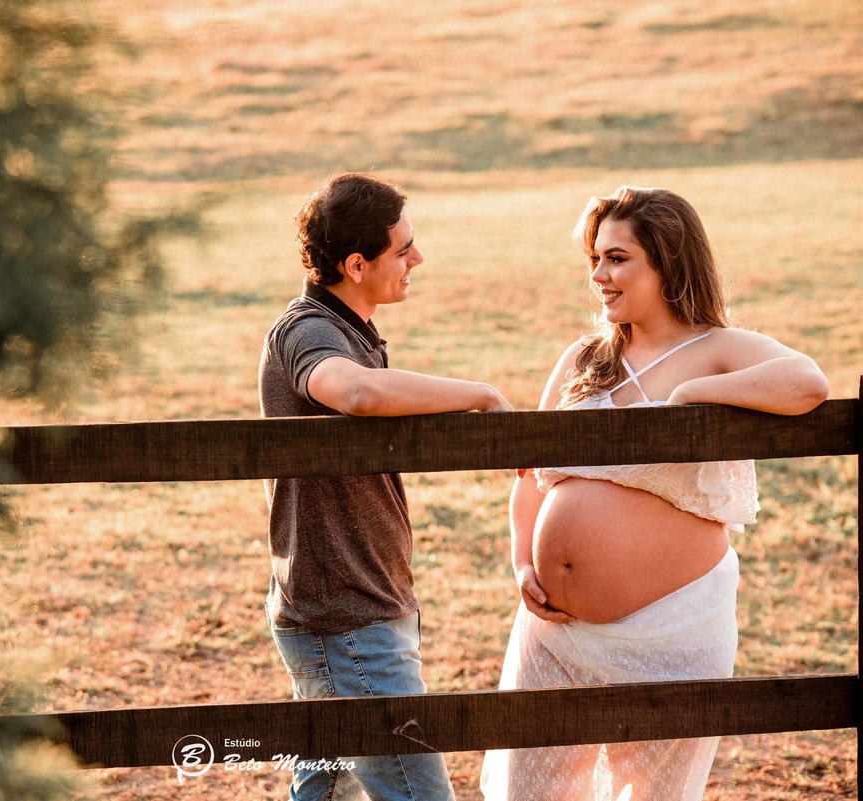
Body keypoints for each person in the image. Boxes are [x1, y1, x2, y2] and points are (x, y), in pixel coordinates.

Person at [479, 186, 829, 801]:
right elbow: (531, 473)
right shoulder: (586, 357)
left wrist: (694, 398)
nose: (598, 275)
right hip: (556, 632)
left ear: (666, 260)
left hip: (670, 634)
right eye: (595, 259)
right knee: (532, 792)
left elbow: (807, 382)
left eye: (616, 258)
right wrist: (521, 559)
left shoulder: (716, 348)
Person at [259, 172, 512, 801]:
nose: (417, 259)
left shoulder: (350, 329)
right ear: (354, 263)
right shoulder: (306, 331)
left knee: (327, 792)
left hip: (347, 605)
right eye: (402, 249)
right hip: (346, 615)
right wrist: (479, 394)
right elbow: (358, 394)